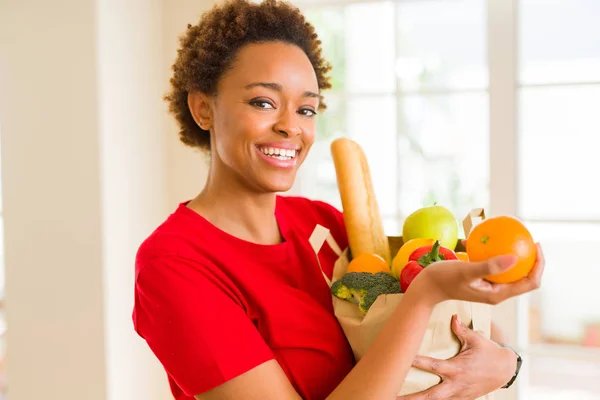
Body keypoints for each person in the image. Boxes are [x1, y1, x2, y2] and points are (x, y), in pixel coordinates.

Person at [132, 1, 545, 399]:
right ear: (203, 109)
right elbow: (423, 307)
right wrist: (425, 293)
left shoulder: (325, 224)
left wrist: (508, 366)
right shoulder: (173, 266)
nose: (290, 127)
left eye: (307, 110)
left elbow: (477, 341)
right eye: (263, 102)